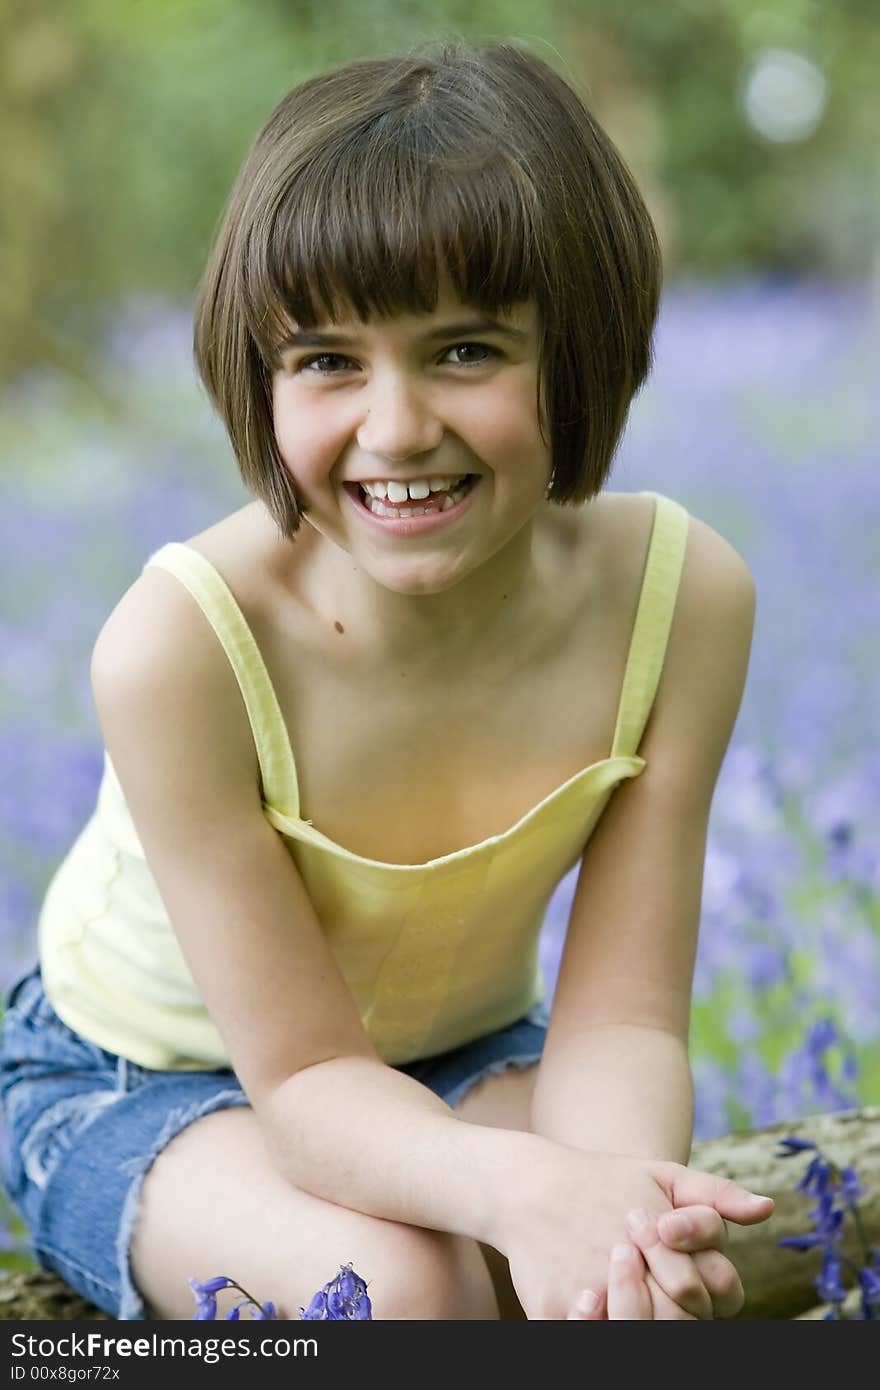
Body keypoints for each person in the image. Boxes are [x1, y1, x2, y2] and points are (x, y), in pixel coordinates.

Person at [0, 39, 773, 1322]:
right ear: (259, 375)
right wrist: (521, 1196)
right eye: (324, 360)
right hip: (143, 1081)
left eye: (466, 350)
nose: (396, 425)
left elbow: (624, 1022)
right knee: (400, 1297)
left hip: (461, 1055)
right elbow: (303, 1080)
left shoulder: (681, 600)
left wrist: (607, 1211)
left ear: (577, 349)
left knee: (613, 1274)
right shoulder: (182, 645)